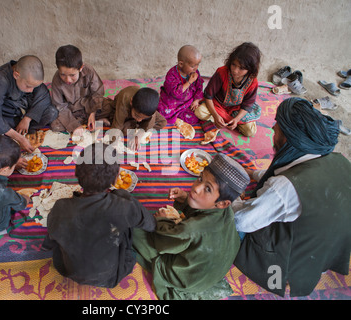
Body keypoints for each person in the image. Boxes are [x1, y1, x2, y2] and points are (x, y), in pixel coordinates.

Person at [233, 97, 351, 297]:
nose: (272, 131)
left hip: (288, 268)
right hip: (324, 254)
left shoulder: (283, 188)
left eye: (276, 127)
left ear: (287, 138)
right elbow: (295, 176)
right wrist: (254, 173)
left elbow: (240, 221)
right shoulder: (338, 159)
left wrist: (231, 193)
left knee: (222, 224)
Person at [132, 153, 250, 300]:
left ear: (222, 203)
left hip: (187, 279)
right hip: (211, 271)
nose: (196, 188)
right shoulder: (226, 211)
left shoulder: (192, 229)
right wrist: (185, 199)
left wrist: (163, 221)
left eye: (207, 189)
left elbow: (164, 243)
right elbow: (203, 214)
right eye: (200, 178)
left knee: (135, 228)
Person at [42, 143, 156, 288]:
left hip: (69, 270)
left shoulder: (60, 207)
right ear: (115, 180)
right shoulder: (125, 207)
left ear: (76, 173)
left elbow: (52, 237)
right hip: (111, 276)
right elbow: (151, 224)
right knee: (123, 200)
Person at [0, 55, 58, 153]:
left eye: (34, 87)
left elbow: (44, 96)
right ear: (16, 75)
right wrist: (19, 139)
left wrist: (27, 119)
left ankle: (26, 129)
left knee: (52, 112)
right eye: (28, 86)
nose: (31, 90)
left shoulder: (29, 77)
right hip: (7, 116)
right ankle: (16, 133)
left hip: (23, 112)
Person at [195, 42, 261, 138]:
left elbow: (247, 105)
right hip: (218, 105)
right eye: (233, 65)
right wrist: (215, 115)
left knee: (250, 132)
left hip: (237, 109)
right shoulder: (222, 72)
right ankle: (223, 119)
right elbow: (208, 96)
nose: (235, 70)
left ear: (250, 69)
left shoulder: (252, 82)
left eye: (241, 68)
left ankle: (230, 121)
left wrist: (237, 119)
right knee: (199, 112)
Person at [50, 45, 108, 134]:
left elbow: (98, 92)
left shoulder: (89, 71)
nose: (67, 80)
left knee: (109, 107)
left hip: (89, 106)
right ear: (58, 68)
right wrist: (74, 126)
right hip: (71, 110)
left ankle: (91, 119)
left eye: (72, 75)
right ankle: (87, 122)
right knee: (55, 125)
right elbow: (60, 107)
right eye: (63, 75)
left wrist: (93, 113)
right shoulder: (56, 80)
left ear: (81, 68)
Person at [102, 86, 167, 151]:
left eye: (143, 118)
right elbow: (117, 125)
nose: (139, 120)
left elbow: (150, 121)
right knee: (102, 108)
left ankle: (136, 125)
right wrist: (113, 144)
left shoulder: (149, 110)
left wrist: (138, 136)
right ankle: (111, 118)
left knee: (163, 122)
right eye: (137, 116)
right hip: (119, 109)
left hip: (139, 113)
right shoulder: (125, 99)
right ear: (131, 102)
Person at [157, 45, 204, 125]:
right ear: (181, 64)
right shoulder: (172, 74)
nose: (196, 68)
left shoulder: (195, 72)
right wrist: (189, 82)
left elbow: (199, 87)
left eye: (197, 64)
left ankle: (177, 116)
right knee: (161, 111)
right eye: (193, 66)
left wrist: (196, 100)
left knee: (195, 117)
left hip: (188, 102)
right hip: (173, 101)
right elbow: (175, 93)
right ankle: (176, 116)